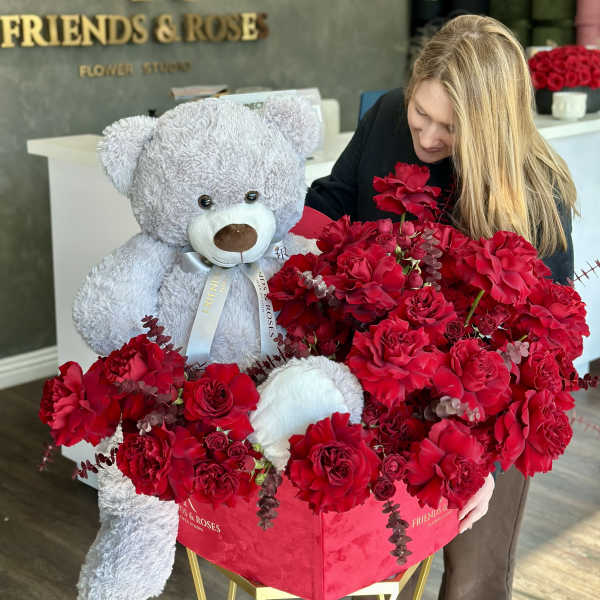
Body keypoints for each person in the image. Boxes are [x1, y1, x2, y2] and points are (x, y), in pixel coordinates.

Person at [305, 14, 575, 600]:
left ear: (490, 129)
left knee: (474, 578)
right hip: (382, 387)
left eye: (449, 128)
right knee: (377, 564)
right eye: (420, 114)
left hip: (488, 412)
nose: (426, 138)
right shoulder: (385, 118)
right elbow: (331, 200)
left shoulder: (535, 192)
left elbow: (543, 353)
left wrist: (484, 464)